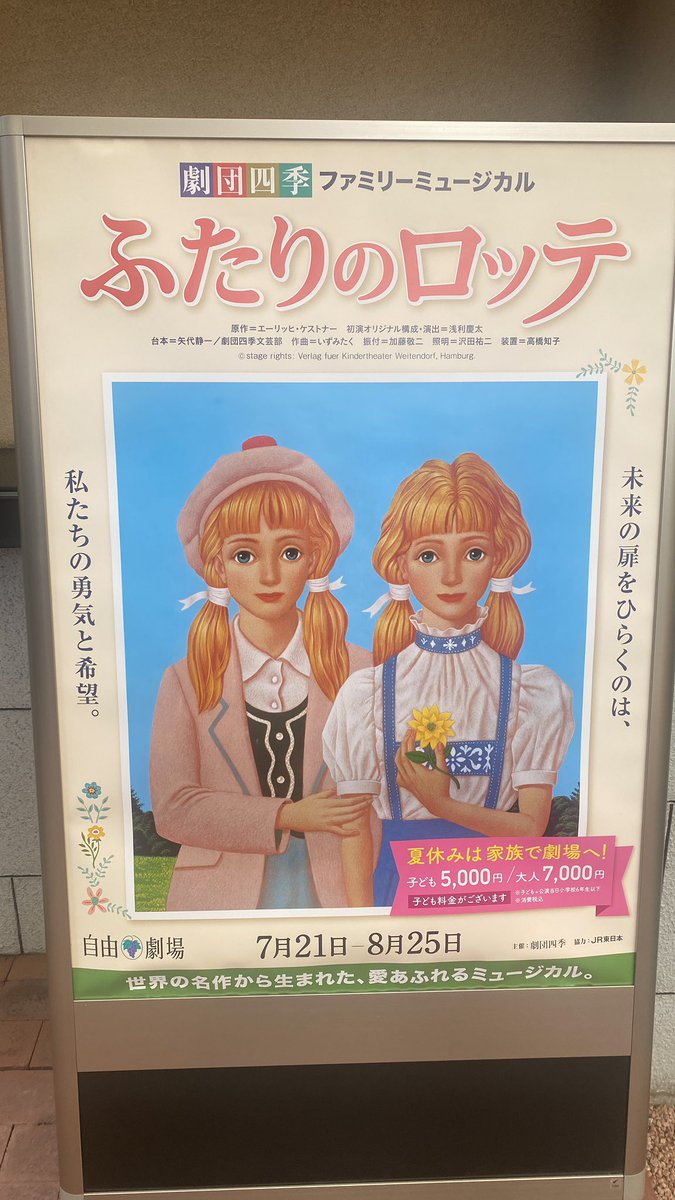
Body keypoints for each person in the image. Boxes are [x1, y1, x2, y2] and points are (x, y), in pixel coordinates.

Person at [322, 453, 575, 907]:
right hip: (393, 892)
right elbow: (356, 830)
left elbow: (531, 829)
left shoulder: (529, 691)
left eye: (474, 553)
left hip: (490, 888)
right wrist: (361, 928)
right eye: (429, 555)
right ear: (401, 564)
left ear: (499, 558)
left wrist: (443, 805)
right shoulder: (367, 694)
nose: (452, 575)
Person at [151, 436, 371, 911]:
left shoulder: (362, 669)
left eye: (290, 552)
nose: (269, 575)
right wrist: (288, 815)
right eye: (244, 556)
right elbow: (173, 809)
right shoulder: (186, 680)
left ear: (316, 558)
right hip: (219, 896)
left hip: (340, 888)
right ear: (218, 566)